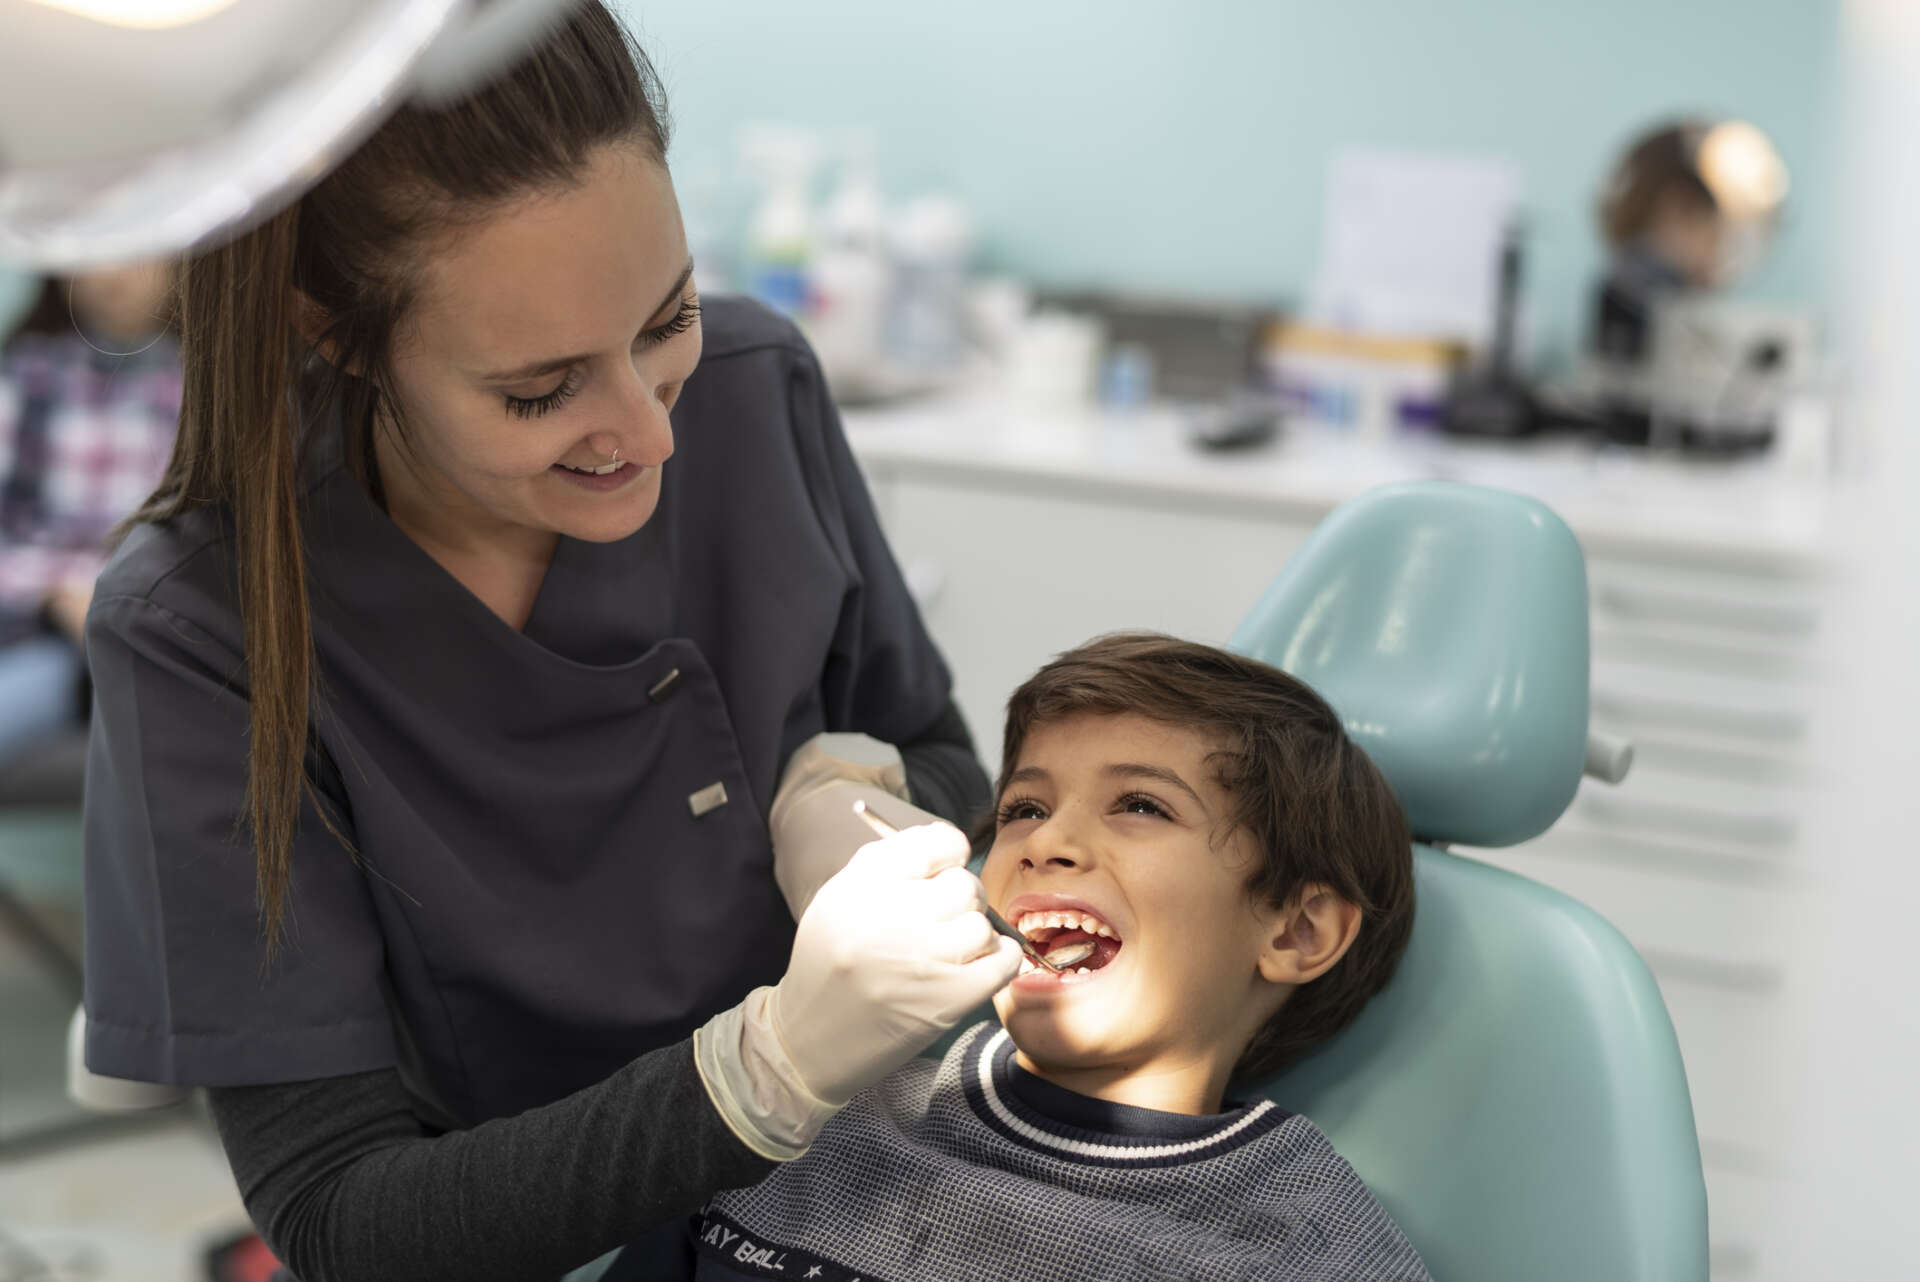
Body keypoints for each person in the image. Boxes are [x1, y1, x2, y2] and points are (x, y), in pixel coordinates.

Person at [78, 7, 1020, 1281]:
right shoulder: (204, 627)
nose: (648, 432)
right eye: (541, 389)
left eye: (665, 320)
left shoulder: (755, 385)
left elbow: (951, 759)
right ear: (333, 331)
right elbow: (341, 1215)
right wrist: (767, 1072)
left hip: (871, 1198)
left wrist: (856, 796)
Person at [684, 634, 1429, 1282]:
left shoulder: (1304, 1250)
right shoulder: (818, 1108)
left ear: (1298, 934)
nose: (1043, 843)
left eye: (1141, 805)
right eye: (1024, 810)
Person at [0, 263, 178, 770]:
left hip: (152, 639)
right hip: (42, 638)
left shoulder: (204, 390)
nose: (115, 274)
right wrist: (62, 592)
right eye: (95, 255)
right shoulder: (30, 375)